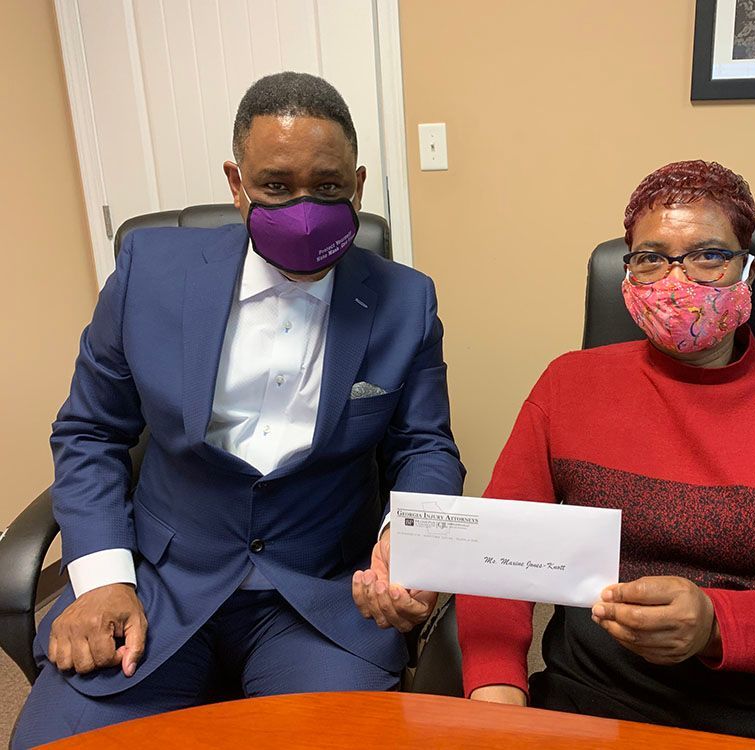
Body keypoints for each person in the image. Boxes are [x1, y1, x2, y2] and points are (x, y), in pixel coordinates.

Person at [13, 72, 464, 749]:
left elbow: (425, 447)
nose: (305, 209)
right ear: (236, 182)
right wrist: (103, 579)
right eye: (277, 186)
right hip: (159, 583)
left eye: (330, 187)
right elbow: (90, 432)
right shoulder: (150, 272)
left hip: (317, 597)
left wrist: (409, 536)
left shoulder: (405, 301)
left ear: (360, 184)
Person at [453, 160, 755, 748]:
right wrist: (498, 697)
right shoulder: (568, 387)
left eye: (708, 255)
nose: (677, 281)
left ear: (746, 271)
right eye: (650, 257)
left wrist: (716, 626)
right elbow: (499, 553)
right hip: (588, 707)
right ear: (626, 274)